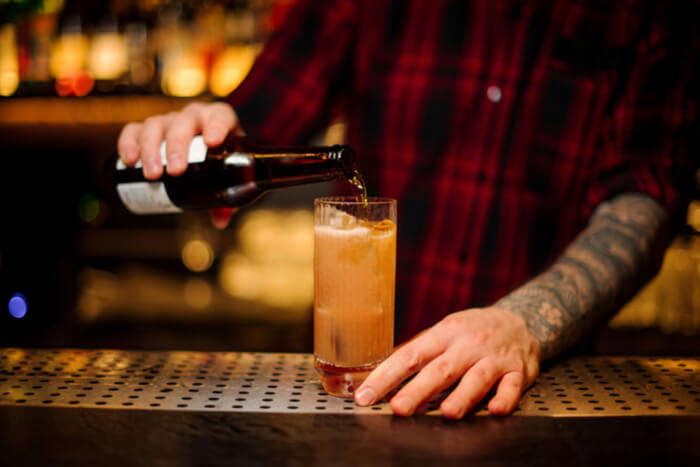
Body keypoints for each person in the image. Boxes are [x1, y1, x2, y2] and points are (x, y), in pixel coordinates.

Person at [117, 0, 696, 419]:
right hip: (353, 393)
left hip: (529, 394)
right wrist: (207, 130)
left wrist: (530, 321)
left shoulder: (647, 12)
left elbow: (647, 196)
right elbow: (265, 117)